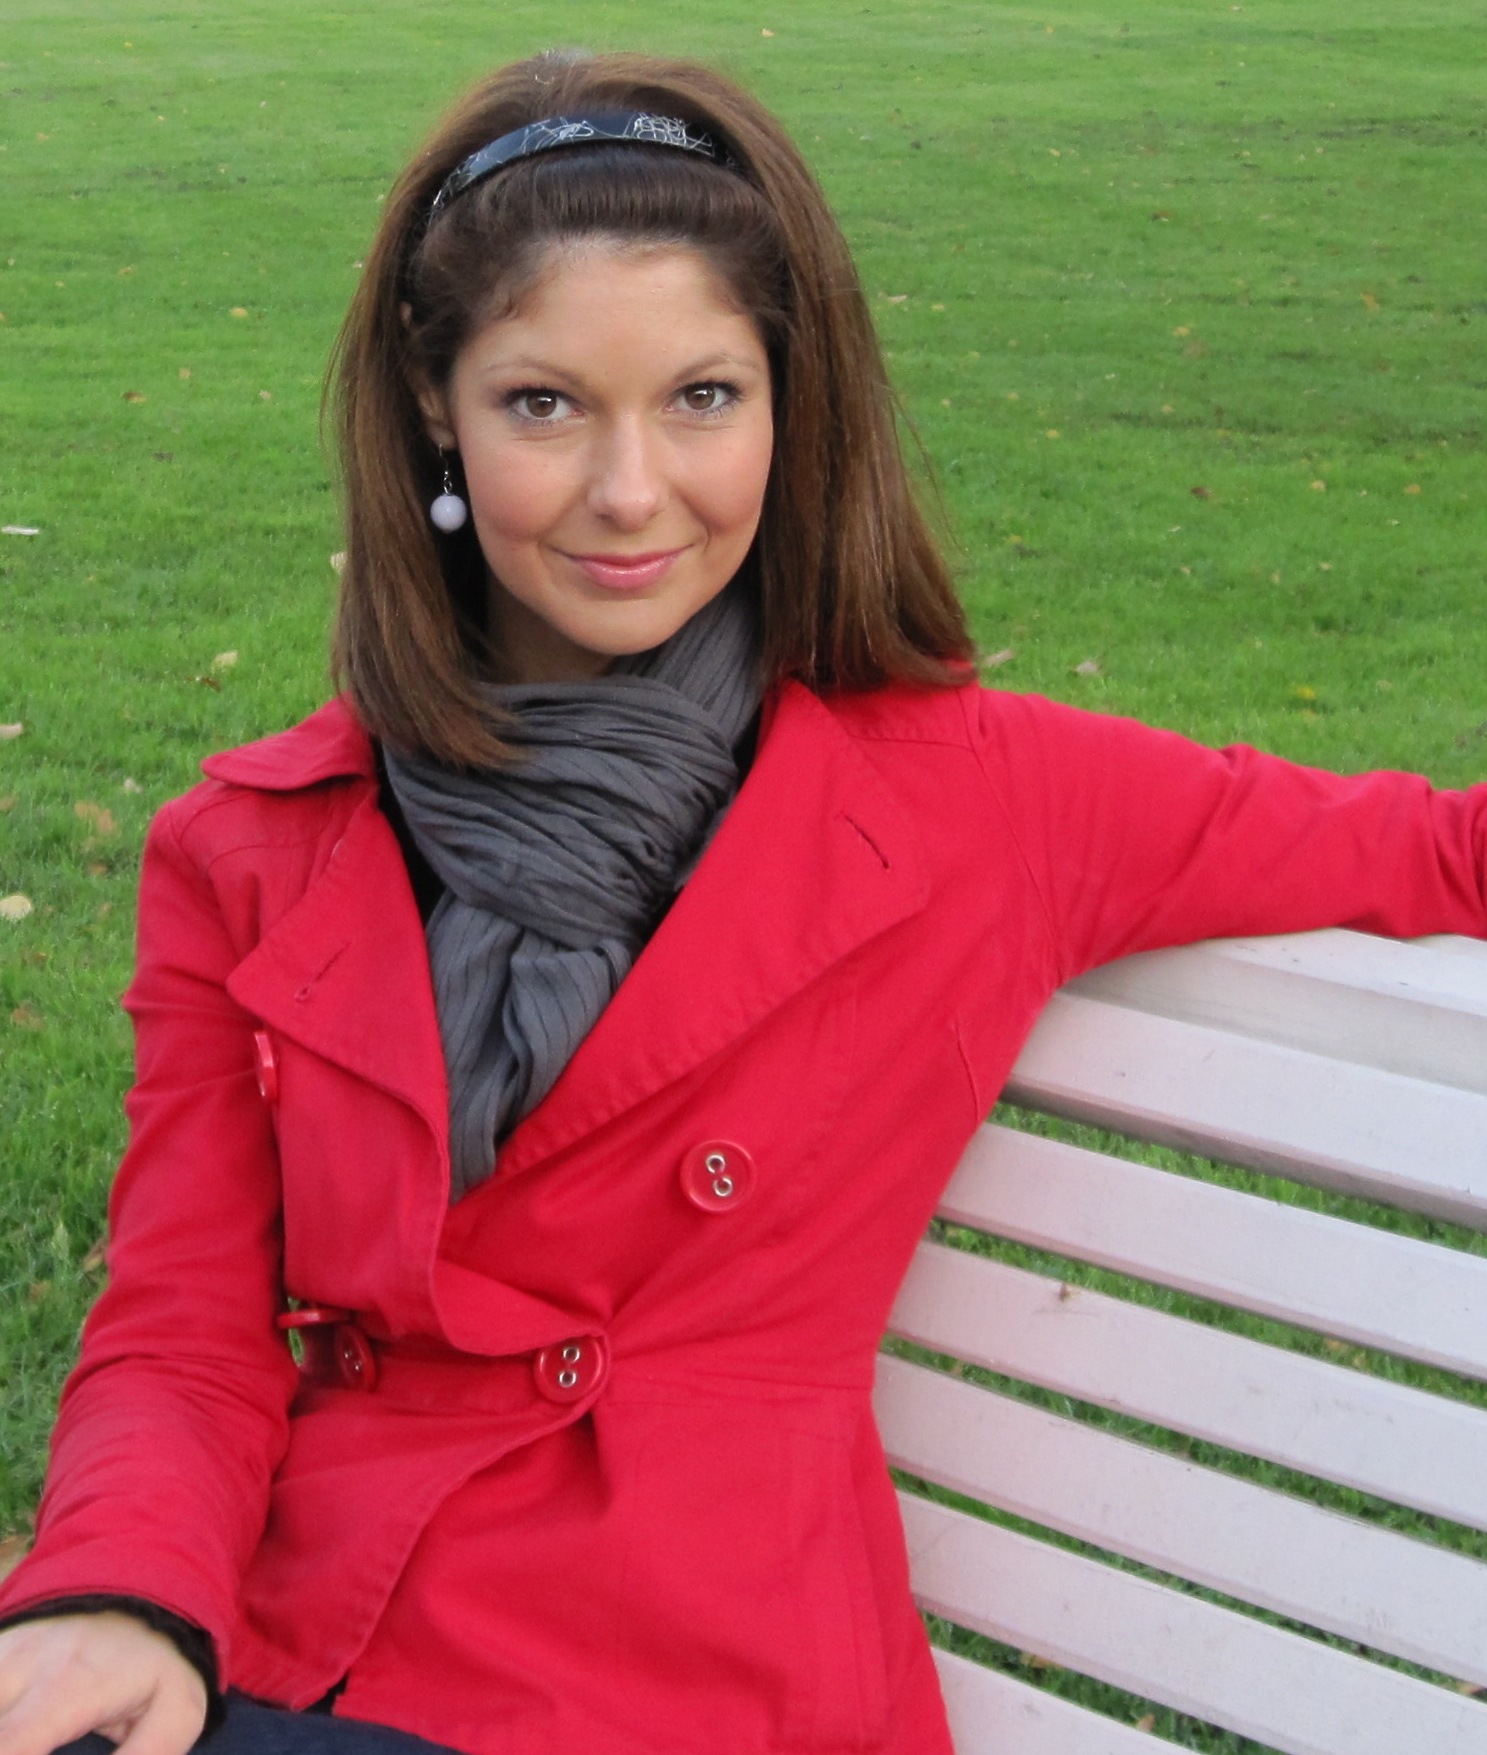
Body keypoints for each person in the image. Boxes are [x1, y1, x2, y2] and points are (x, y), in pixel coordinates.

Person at [1, 46, 1484, 1755]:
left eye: (703, 397)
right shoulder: (255, 849)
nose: (632, 491)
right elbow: (185, 1323)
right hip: (304, 1646)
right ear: (431, 403)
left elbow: (1436, 850)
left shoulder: (976, 797)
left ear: (789, 399)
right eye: (544, 405)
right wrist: (119, 1590)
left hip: (705, 1677)